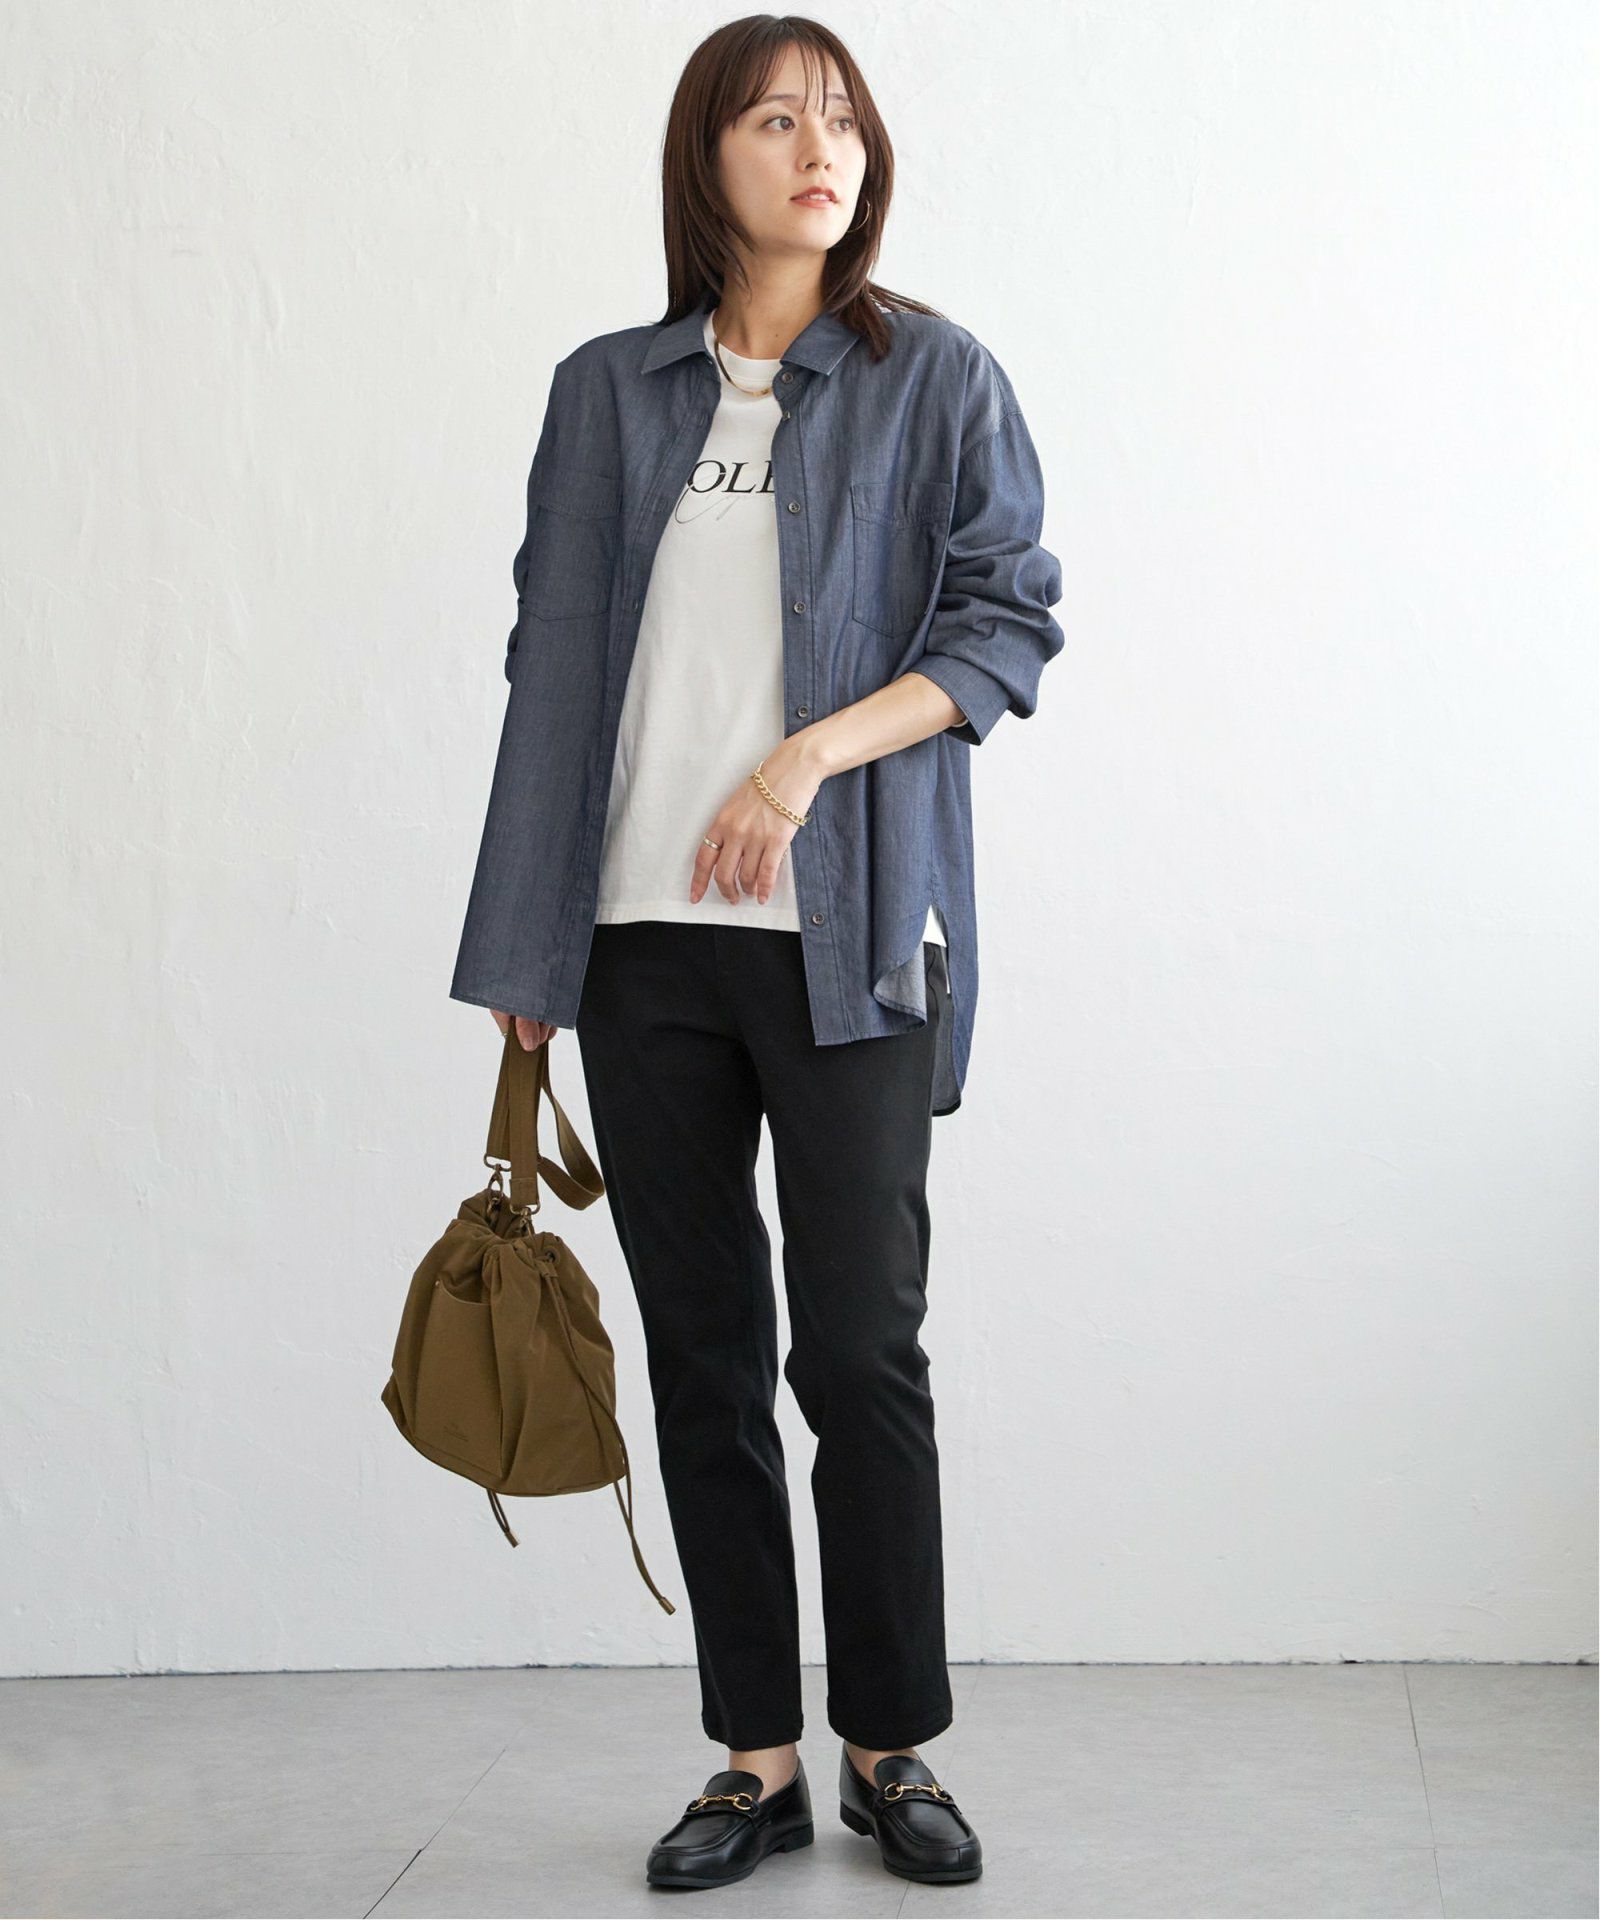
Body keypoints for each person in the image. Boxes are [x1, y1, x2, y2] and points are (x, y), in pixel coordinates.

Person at [449, 12, 1064, 1892]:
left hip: (851, 936)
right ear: (704, 152)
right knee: (703, 1357)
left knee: (858, 1354)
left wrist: (804, 761)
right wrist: (527, 944)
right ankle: (755, 1760)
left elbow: (1002, 629)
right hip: (642, 944)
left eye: (844, 119)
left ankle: (891, 1748)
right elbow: (554, 669)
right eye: (779, 117)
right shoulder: (605, 393)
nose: (823, 148)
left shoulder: (933, 378)